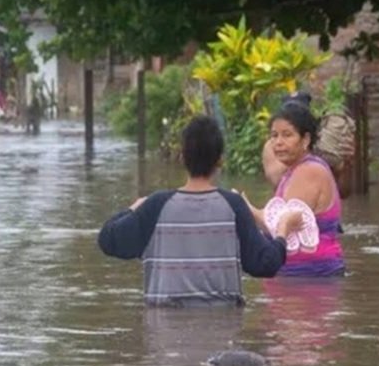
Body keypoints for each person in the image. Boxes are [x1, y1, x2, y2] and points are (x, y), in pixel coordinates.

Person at [97, 116, 303, 307]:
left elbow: (107, 240)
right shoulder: (234, 206)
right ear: (220, 160)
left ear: (183, 157)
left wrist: (133, 208)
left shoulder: (156, 206)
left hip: (164, 328)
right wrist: (282, 230)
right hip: (223, 325)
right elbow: (266, 264)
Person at [245, 102, 346, 276]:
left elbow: (280, 225)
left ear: (305, 139)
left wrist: (244, 208)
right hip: (299, 277)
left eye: (287, 135)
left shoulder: (308, 171)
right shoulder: (293, 170)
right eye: (274, 136)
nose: (278, 142)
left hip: (311, 277)